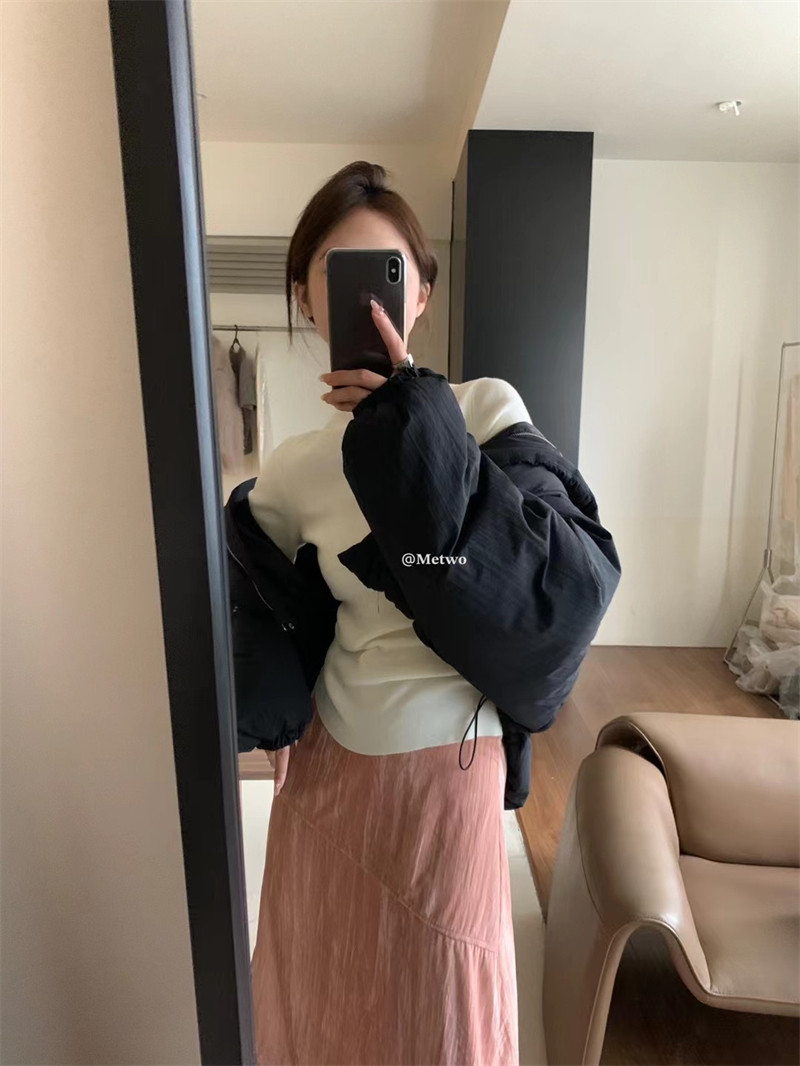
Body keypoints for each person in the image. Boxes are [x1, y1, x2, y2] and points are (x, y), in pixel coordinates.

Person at [248, 160, 539, 1066]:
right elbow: (252, 601)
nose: (366, 302)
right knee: (321, 993)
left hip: (451, 771)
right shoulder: (295, 468)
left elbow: (519, 577)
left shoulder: (485, 412)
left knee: (442, 1011)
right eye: (338, 278)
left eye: (387, 275)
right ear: (307, 300)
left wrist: (414, 420)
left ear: (421, 295)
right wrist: (266, 711)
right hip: (330, 771)